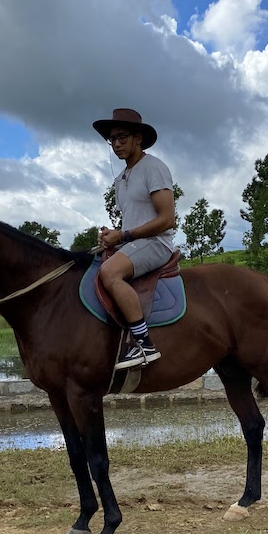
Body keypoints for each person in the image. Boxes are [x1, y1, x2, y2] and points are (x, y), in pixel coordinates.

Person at [92, 107, 175, 370]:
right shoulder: (121, 178)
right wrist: (111, 236)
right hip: (134, 244)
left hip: (157, 243)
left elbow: (167, 219)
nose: (116, 144)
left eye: (122, 137)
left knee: (110, 273)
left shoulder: (154, 168)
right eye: (112, 140)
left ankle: (144, 345)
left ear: (138, 137)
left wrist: (124, 235)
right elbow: (133, 219)